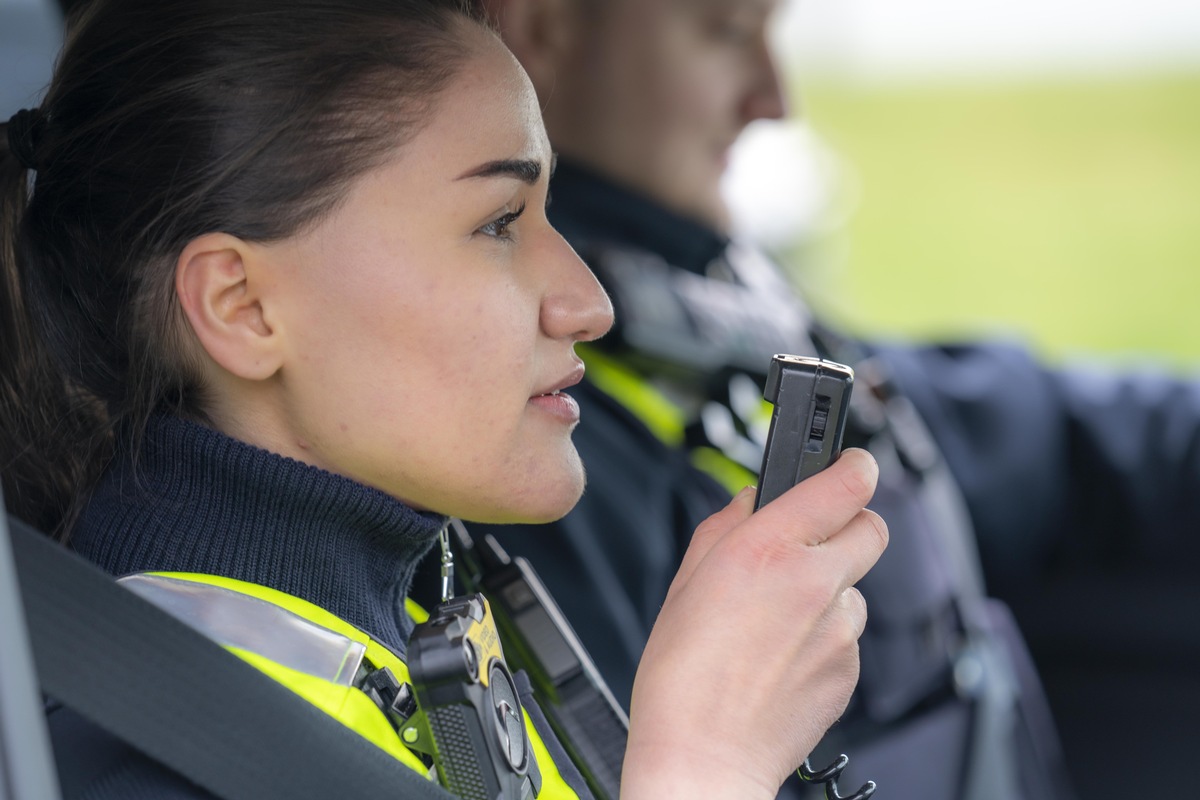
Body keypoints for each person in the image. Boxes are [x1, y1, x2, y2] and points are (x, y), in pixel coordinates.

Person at [0, 0, 889, 798]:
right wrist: (702, 768)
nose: (588, 302)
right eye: (500, 223)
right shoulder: (141, 755)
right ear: (243, 306)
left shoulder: (428, 611)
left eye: (549, 215)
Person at [474, 1, 1200, 799]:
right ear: (541, 25)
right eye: (726, 31)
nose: (773, 99)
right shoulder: (532, 464)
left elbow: (1011, 432)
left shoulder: (705, 296)